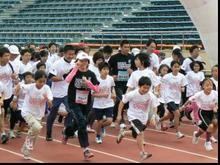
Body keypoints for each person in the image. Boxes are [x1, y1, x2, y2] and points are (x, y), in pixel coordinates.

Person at [65, 51, 100, 159]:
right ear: (77, 61)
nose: (83, 63)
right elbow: (67, 80)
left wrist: (88, 83)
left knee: (81, 122)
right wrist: (75, 69)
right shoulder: (73, 71)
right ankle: (86, 149)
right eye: (81, 61)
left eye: (85, 61)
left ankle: (67, 132)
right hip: (73, 101)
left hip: (86, 103)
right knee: (82, 122)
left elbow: (97, 89)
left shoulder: (91, 74)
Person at [116, 76, 159, 161]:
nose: (146, 90)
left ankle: (123, 133)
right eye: (144, 87)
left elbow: (155, 107)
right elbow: (122, 102)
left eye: (148, 88)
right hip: (133, 116)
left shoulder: (151, 95)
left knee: (135, 133)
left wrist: (153, 116)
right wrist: (119, 115)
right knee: (140, 133)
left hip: (143, 117)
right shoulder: (133, 93)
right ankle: (143, 153)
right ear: (139, 86)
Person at [20, 70, 53, 159]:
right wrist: (15, 98)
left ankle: (25, 151)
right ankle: (27, 142)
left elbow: (50, 103)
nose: (42, 83)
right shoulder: (30, 87)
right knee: (37, 127)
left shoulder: (46, 88)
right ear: (35, 80)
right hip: (27, 112)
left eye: (44, 81)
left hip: (38, 114)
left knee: (35, 133)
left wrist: (49, 101)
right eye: (40, 81)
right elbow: (20, 86)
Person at [46, 45, 76, 141]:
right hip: (57, 93)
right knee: (53, 114)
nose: (71, 56)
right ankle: (48, 134)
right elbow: (51, 78)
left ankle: (66, 131)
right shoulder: (57, 64)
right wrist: (63, 77)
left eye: (73, 54)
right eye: (69, 54)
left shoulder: (74, 64)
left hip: (68, 93)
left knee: (71, 112)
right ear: (64, 53)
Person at [181, 78, 218, 151]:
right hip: (203, 112)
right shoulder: (199, 94)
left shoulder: (215, 93)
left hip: (211, 112)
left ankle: (196, 135)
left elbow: (216, 103)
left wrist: (215, 107)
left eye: (210, 85)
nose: (209, 87)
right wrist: (183, 107)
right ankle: (207, 143)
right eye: (207, 85)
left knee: (204, 129)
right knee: (210, 126)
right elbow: (189, 100)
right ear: (203, 86)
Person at [108, 40, 136, 128]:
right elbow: (108, 68)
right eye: (125, 47)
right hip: (117, 84)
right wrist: (112, 76)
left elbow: (136, 70)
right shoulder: (114, 58)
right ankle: (119, 119)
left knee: (126, 101)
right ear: (121, 47)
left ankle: (117, 117)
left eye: (128, 47)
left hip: (128, 84)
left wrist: (132, 72)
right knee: (120, 99)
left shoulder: (132, 58)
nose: (127, 49)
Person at [158, 61, 187, 139]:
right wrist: (161, 95)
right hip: (168, 97)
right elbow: (160, 85)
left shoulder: (182, 76)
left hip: (177, 98)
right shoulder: (167, 77)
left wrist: (182, 88)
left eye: (178, 67)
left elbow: (183, 87)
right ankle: (178, 132)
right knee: (177, 113)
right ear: (171, 67)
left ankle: (159, 120)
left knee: (170, 115)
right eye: (175, 67)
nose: (176, 68)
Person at [92, 62, 116, 144]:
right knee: (99, 121)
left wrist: (114, 94)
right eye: (104, 69)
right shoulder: (96, 80)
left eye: (107, 69)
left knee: (109, 121)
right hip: (98, 104)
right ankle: (98, 136)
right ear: (99, 70)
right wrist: (102, 95)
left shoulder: (110, 79)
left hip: (109, 103)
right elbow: (93, 94)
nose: (106, 71)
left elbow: (112, 87)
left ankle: (101, 127)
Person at [9, 72, 34, 138]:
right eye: (27, 77)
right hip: (18, 102)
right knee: (14, 118)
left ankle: (19, 131)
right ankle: (11, 130)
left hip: (27, 105)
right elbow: (16, 94)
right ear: (24, 78)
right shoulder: (20, 85)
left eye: (30, 77)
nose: (29, 79)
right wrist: (14, 103)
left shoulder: (32, 86)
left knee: (25, 118)